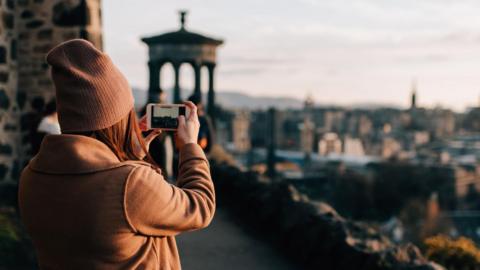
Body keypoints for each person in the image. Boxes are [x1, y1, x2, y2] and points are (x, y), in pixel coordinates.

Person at [18, 39, 215, 270]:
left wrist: (130, 153)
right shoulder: (130, 184)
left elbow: (100, 191)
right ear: (115, 119)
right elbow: (200, 206)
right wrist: (190, 145)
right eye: (127, 111)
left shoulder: (31, 176)